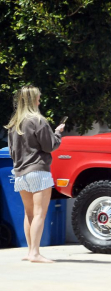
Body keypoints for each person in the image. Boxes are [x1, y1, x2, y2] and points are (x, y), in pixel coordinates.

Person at [4, 85, 64, 263]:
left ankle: (30, 251)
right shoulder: (38, 120)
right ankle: (35, 254)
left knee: (28, 213)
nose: (40, 100)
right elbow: (49, 146)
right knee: (39, 214)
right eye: (38, 97)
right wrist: (58, 134)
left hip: (20, 173)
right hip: (38, 172)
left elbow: (12, 151)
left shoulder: (14, 124)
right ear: (32, 100)